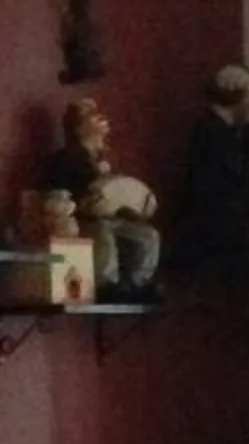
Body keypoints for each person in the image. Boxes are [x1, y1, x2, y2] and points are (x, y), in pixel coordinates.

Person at [39, 96, 161, 299]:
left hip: (111, 218)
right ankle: (107, 283)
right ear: (78, 128)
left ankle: (136, 283)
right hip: (81, 220)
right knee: (103, 230)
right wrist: (82, 204)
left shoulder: (103, 160)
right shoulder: (65, 158)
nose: (100, 116)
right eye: (90, 115)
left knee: (147, 235)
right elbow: (54, 194)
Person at [176, 61, 249, 271]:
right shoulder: (211, 128)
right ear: (236, 96)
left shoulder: (222, 126)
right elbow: (234, 166)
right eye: (248, 96)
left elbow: (243, 144)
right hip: (214, 218)